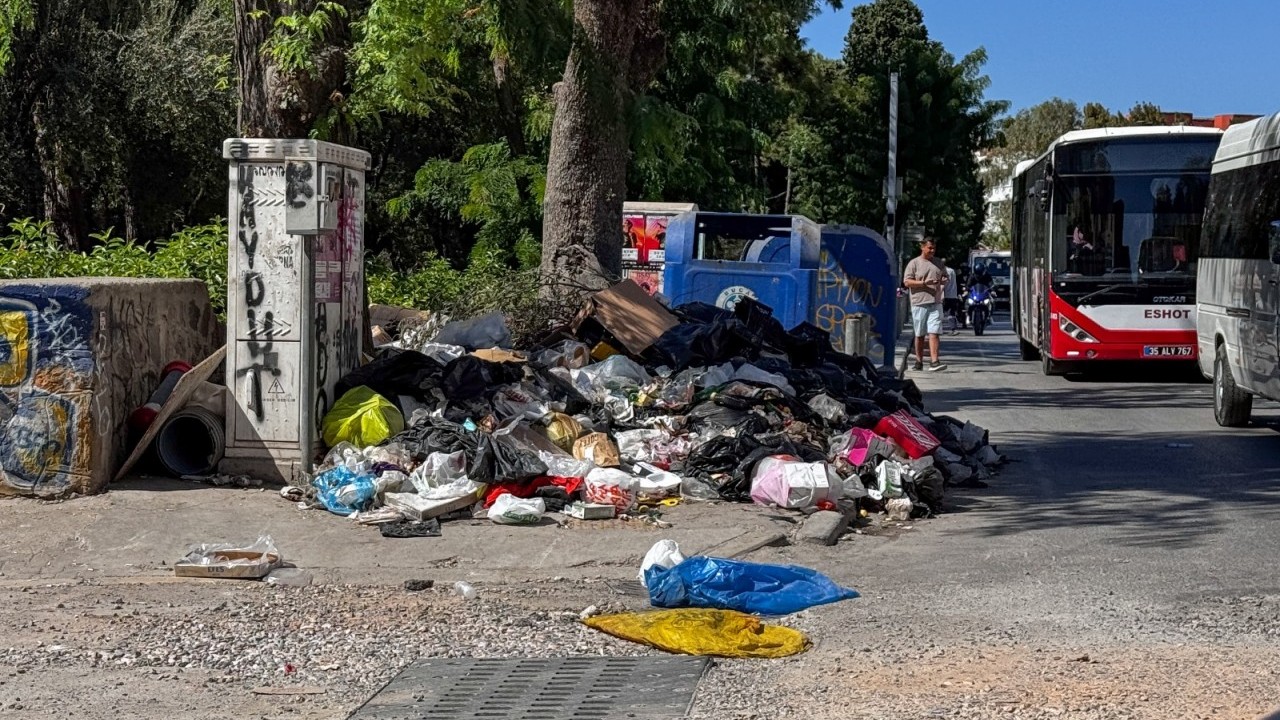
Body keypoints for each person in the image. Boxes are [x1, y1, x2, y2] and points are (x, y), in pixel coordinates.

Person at [903, 237, 948, 372]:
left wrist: (944, 280)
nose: (932, 251)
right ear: (922, 247)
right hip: (919, 303)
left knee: (934, 332)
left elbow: (945, 277)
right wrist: (924, 283)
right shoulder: (914, 263)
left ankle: (935, 361)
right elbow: (907, 282)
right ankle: (919, 361)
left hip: (935, 302)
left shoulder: (939, 263)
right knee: (920, 334)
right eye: (929, 248)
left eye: (934, 248)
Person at [942, 264, 962, 334]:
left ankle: (938, 329)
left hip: (945, 295)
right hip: (953, 295)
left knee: (939, 312)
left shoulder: (942, 271)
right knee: (951, 313)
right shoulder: (952, 271)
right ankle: (954, 329)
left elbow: (943, 284)